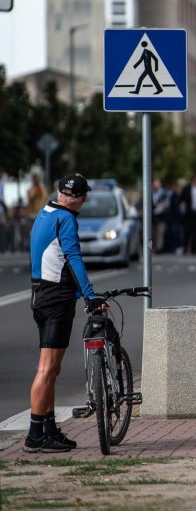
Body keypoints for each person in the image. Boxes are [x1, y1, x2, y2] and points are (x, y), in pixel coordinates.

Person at [26, 173, 106, 452]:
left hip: (40, 294)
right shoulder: (67, 219)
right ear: (82, 199)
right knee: (47, 369)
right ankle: (35, 434)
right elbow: (72, 258)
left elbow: (47, 258)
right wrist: (90, 295)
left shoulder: (44, 213)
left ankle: (49, 428)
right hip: (56, 300)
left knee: (52, 369)